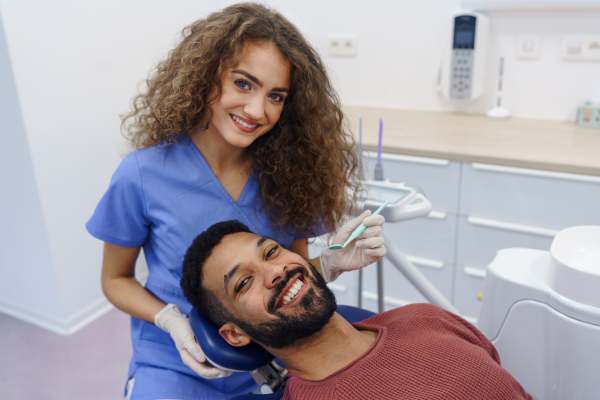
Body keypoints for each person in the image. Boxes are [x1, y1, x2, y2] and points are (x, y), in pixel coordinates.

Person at [86, 3, 387, 399]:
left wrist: (329, 264)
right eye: (243, 84)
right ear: (205, 76)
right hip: (174, 357)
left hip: (273, 356)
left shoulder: (292, 175)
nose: (257, 110)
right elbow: (115, 280)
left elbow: (287, 274)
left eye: (276, 95)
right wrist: (170, 319)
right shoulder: (143, 174)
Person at [181, 220, 534, 400]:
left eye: (271, 252)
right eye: (243, 283)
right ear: (235, 334)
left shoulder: (426, 317)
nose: (275, 271)